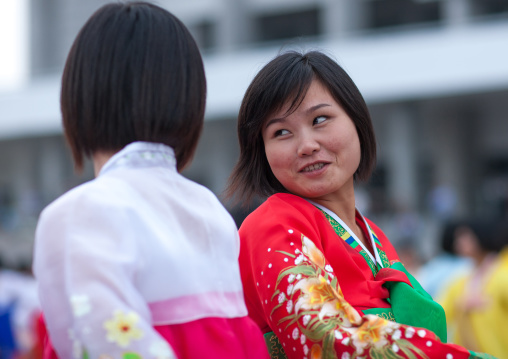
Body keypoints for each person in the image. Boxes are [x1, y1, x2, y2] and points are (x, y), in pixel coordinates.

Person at [32, 2, 268, 359]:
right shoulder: (209, 208)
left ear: (81, 97)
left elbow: (101, 344)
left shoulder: (76, 214)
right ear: (190, 100)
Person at [226, 50, 494, 358]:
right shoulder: (272, 225)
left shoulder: (374, 237)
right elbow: (327, 337)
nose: (307, 145)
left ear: (357, 120)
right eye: (281, 132)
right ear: (262, 151)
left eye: (320, 119)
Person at [439, 218, 508, 358]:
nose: (458, 242)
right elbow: (439, 311)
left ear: (480, 236)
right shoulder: (461, 280)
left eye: (465, 236)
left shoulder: (502, 273)